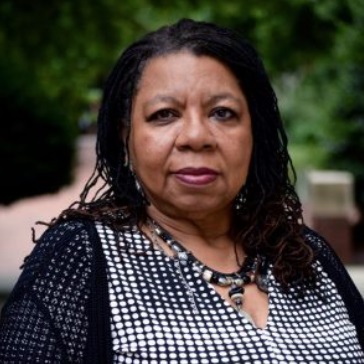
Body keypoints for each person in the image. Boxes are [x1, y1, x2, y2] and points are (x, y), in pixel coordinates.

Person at [0, 18, 363, 363]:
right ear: (126, 137)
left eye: (222, 113)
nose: (196, 137)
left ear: (256, 134)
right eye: (164, 115)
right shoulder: (81, 258)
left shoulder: (305, 254)